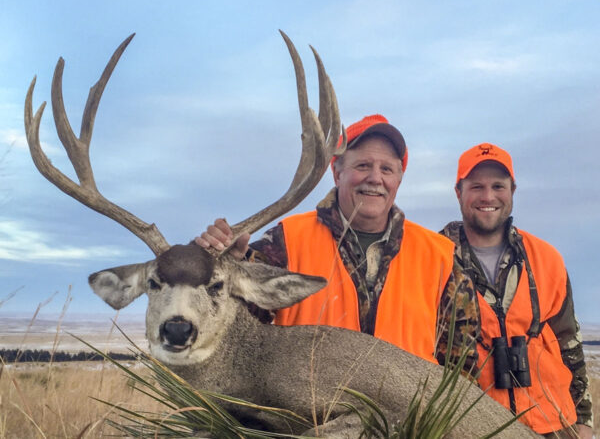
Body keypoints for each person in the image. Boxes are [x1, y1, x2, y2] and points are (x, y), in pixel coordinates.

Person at [197, 114, 479, 369]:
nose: (374, 178)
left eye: (387, 169)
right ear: (337, 172)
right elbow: (235, 326)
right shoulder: (286, 241)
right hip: (305, 420)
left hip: (409, 423)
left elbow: (461, 368)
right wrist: (219, 265)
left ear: (399, 179)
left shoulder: (439, 257)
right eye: (363, 165)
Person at [441, 143, 593, 438]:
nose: (488, 196)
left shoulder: (546, 258)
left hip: (552, 425)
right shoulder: (434, 258)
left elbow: (568, 343)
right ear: (459, 192)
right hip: (471, 428)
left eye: (498, 186)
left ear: (512, 191)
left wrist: (583, 420)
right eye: (476, 186)